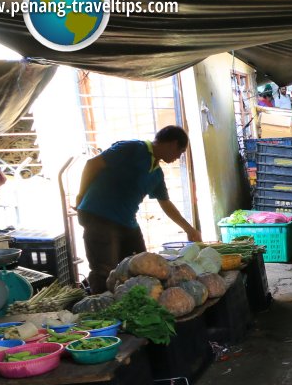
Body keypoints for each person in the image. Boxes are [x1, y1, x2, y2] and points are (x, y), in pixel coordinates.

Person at [76, 125, 201, 294]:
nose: (179, 157)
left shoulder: (157, 173)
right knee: (104, 270)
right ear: (172, 143)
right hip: (99, 215)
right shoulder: (132, 148)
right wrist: (80, 195)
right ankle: (103, 309)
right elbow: (92, 164)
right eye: (180, 151)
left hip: (127, 221)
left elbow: (165, 203)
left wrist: (189, 229)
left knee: (142, 266)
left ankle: (131, 303)